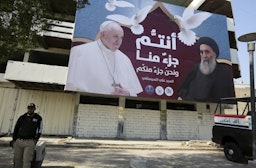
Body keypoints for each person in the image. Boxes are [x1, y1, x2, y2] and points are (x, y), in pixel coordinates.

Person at [65, 21, 143, 96]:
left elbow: (134, 92)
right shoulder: (80, 52)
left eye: (121, 37)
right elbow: (71, 87)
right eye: (115, 36)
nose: (119, 41)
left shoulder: (125, 59)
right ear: (102, 35)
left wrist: (128, 93)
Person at [177, 37, 235, 102]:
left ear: (214, 53)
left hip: (216, 108)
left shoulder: (224, 72)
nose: (204, 56)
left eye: (207, 52)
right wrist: (181, 97)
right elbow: (184, 86)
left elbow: (230, 96)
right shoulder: (196, 68)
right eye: (201, 52)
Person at [11, 103, 43, 168]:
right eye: (29, 108)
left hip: (29, 141)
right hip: (19, 141)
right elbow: (16, 128)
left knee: (26, 160)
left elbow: (40, 129)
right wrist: (14, 140)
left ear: (34, 109)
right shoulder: (22, 117)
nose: (30, 109)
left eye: (32, 108)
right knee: (17, 159)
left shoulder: (38, 118)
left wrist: (36, 139)